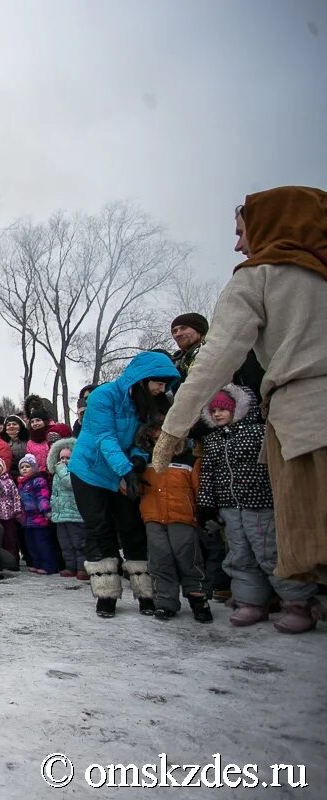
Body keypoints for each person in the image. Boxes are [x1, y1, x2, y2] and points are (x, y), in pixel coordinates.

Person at [154, 186, 327, 594]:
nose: (237, 246)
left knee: (315, 543)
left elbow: (215, 361)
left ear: (270, 225)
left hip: (306, 428)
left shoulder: (261, 275)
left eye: (241, 232)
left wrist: (172, 429)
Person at [196, 386, 318, 632]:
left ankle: (298, 603)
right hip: (230, 506)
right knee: (239, 554)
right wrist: (206, 504)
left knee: (269, 552)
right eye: (214, 410)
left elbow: (275, 464)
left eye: (224, 409)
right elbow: (207, 474)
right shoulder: (212, 440)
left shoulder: (259, 433)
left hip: (260, 503)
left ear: (238, 409)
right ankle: (251, 601)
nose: (218, 414)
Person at [69, 350, 179, 619]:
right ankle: (106, 594)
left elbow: (144, 441)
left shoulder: (150, 404)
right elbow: (103, 437)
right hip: (90, 471)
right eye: (158, 383)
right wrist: (125, 471)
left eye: (166, 384)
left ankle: (145, 591)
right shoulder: (104, 396)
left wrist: (139, 463)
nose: (162, 389)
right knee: (100, 528)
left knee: (132, 527)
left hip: (123, 469)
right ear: (142, 379)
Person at [135, 419, 211, 624]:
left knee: (188, 557)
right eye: (157, 438)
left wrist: (203, 511)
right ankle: (165, 601)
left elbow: (199, 488)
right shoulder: (146, 462)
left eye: (167, 437)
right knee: (160, 560)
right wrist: (132, 477)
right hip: (153, 517)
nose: (162, 442)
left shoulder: (189, 460)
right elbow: (137, 490)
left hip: (182, 516)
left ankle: (198, 599)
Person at [46, 436, 87, 579]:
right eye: (61, 458)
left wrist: (62, 470)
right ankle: (70, 566)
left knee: (79, 542)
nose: (64, 461)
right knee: (65, 543)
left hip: (74, 513)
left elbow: (70, 484)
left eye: (68, 458)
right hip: (60, 514)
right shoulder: (58, 472)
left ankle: (82, 567)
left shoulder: (74, 471)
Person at [16, 455, 57, 574]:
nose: (24, 469)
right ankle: (36, 563)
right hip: (27, 519)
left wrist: (45, 510)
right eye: (22, 467)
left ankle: (49, 565)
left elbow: (42, 496)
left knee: (42, 542)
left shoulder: (38, 481)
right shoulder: (21, 483)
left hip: (38, 517)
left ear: (34, 468)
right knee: (31, 543)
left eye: (27, 466)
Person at [169, 313, 209, 390]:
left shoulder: (219, 354)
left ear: (199, 330)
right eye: (174, 331)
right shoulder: (175, 367)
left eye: (183, 328)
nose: (178, 334)